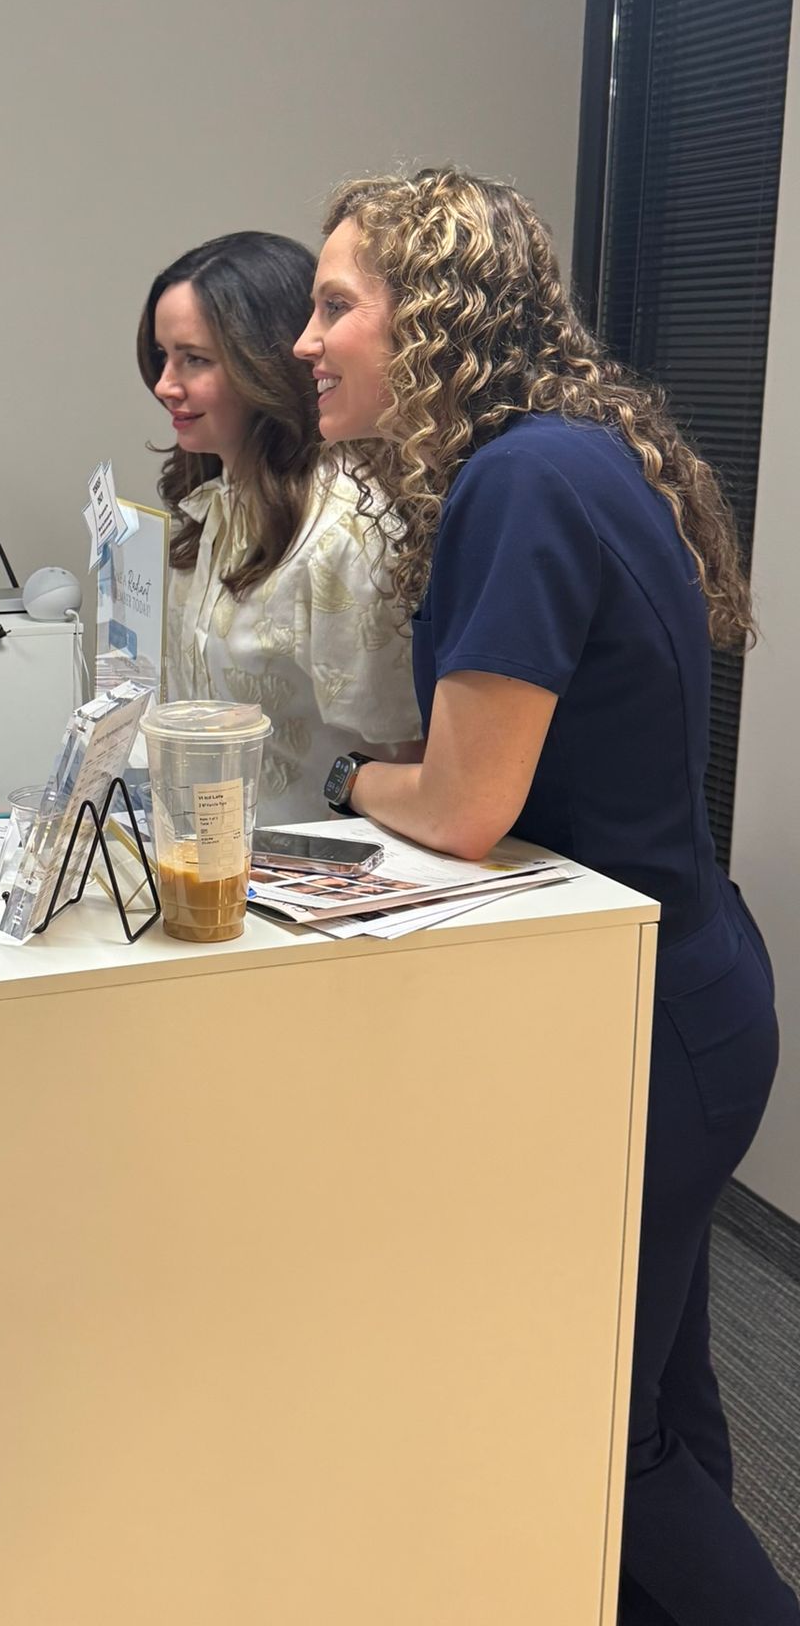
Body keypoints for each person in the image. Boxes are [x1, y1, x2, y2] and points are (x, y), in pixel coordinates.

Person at [297, 168, 797, 1625]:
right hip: (687, 990)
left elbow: (464, 804)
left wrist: (349, 785)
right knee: (661, 1396)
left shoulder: (515, 481)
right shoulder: (577, 454)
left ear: (433, 315)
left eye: (337, 305)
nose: (309, 340)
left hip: (647, 1026)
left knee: (598, 1434)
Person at [136, 230, 419, 823]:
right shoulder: (215, 503)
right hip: (215, 864)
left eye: (194, 359)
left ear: (263, 362)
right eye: (162, 356)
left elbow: (400, 754)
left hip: (321, 881)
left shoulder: (345, 526)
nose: (165, 384)